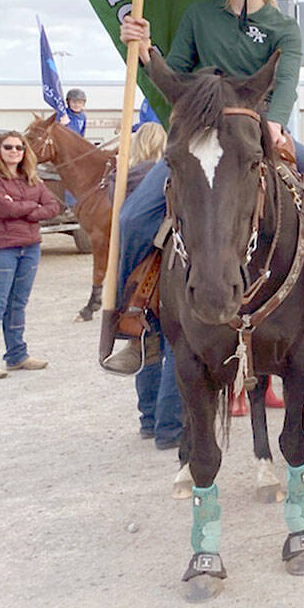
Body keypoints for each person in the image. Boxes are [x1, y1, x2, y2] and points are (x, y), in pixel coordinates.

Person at [101, 0, 304, 373]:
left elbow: (285, 83)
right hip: (203, 139)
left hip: (258, 132)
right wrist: (147, 54)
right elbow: (176, 81)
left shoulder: (285, 27)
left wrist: (276, 125)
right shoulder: (198, 17)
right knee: (132, 218)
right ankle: (136, 323)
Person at [0, 131, 59, 379]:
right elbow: (3, 208)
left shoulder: (32, 179)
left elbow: (54, 206)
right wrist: (33, 207)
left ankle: (17, 355)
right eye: (8, 147)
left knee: (18, 304)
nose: (14, 151)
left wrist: (22, 209)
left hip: (29, 247)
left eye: (19, 147)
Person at [126, 122, 181, 446]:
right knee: (176, 346)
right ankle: (170, 427)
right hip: (167, 267)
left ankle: (148, 419)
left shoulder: (124, 177)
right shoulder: (166, 175)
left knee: (146, 344)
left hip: (137, 275)